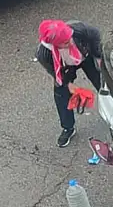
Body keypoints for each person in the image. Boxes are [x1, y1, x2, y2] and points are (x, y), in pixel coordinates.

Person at [36, 20, 103, 148]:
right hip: (64, 67)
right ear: (55, 45)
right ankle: (68, 127)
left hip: (85, 55)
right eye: (66, 42)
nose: (71, 42)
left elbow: (95, 35)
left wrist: (98, 56)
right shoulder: (44, 54)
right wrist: (67, 84)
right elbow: (54, 72)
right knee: (61, 93)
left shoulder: (79, 29)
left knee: (102, 81)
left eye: (70, 38)